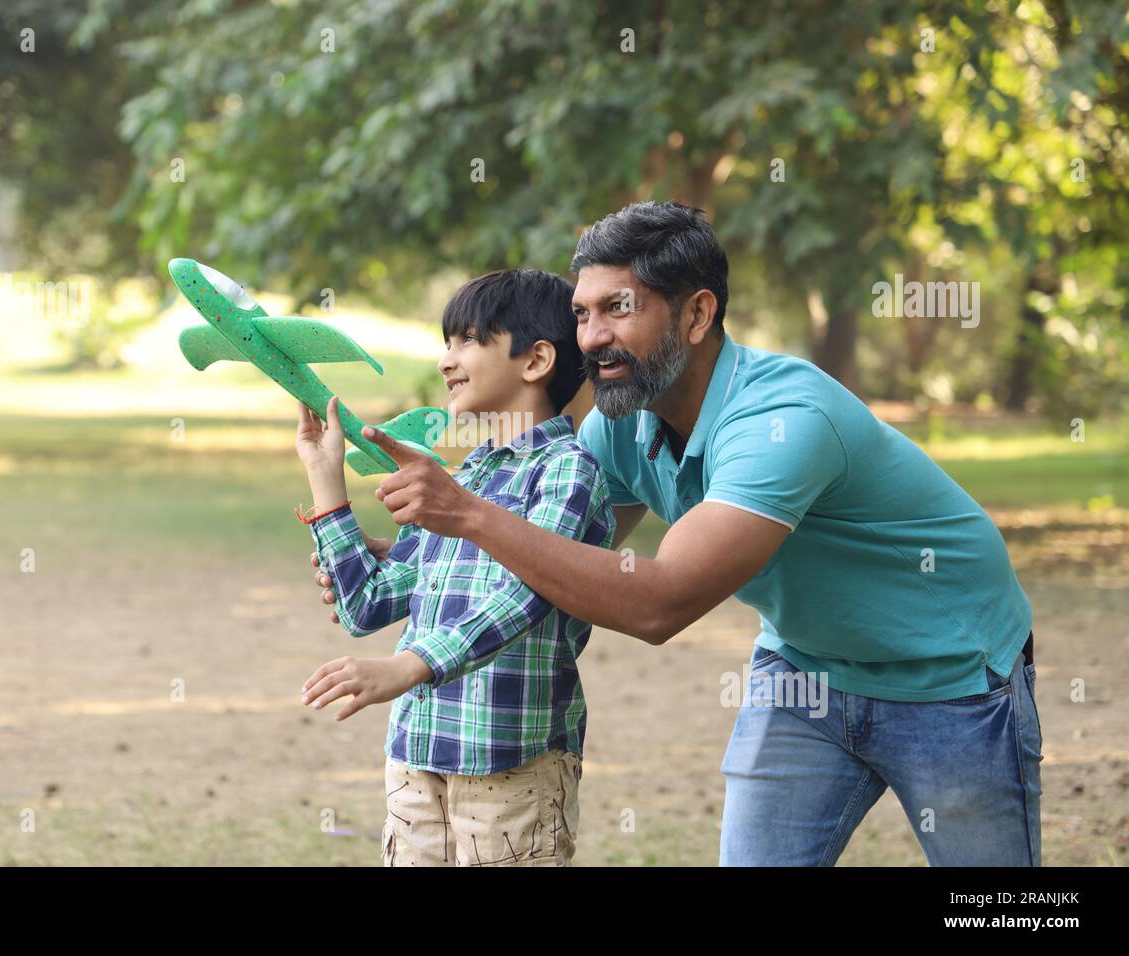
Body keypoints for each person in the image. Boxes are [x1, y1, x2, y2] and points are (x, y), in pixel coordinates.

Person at [333, 201, 1044, 866]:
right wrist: (417, 559)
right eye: (582, 314)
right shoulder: (622, 422)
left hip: (952, 676)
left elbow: (657, 604)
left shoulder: (783, 422)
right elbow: (550, 554)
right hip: (805, 672)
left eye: (619, 309)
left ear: (697, 313)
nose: (592, 337)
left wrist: (464, 514)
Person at [294, 269, 615, 866]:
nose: (447, 360)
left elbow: (527, 595)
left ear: (536, 359)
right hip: (418, 754)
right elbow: (365, 605)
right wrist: (325, 478)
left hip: (512, 760)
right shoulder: (461, 479)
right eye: (448, 342)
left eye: (467, 340)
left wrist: (410, 666)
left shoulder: (566, 472)